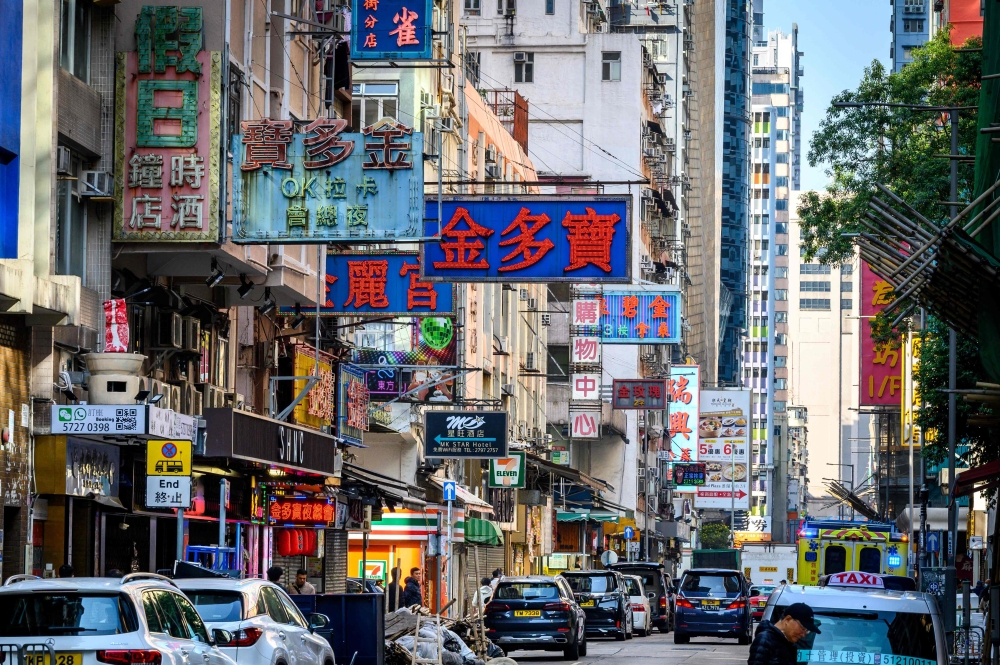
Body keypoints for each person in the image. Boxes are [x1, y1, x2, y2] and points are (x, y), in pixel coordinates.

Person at [749, 603, 821, 665]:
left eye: (807, 631)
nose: (803, 635)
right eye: (802, 628)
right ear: (788, 619)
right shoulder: (765, 640)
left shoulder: (788, 643)